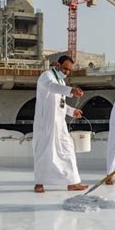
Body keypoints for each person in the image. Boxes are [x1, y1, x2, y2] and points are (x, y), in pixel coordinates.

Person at [32, 55, 89, 193]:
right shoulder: (46, 76)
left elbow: (60, 104)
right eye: (65, 68)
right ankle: (39, 183)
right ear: (57, 65)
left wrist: (72, 111)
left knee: (68, 149)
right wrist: (71, 91)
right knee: (44, 152)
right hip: (46, 123)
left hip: (60, 123)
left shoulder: (61, 82)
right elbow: (52, 87)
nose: (67, 72)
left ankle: (73, 182)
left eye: (69, 70)